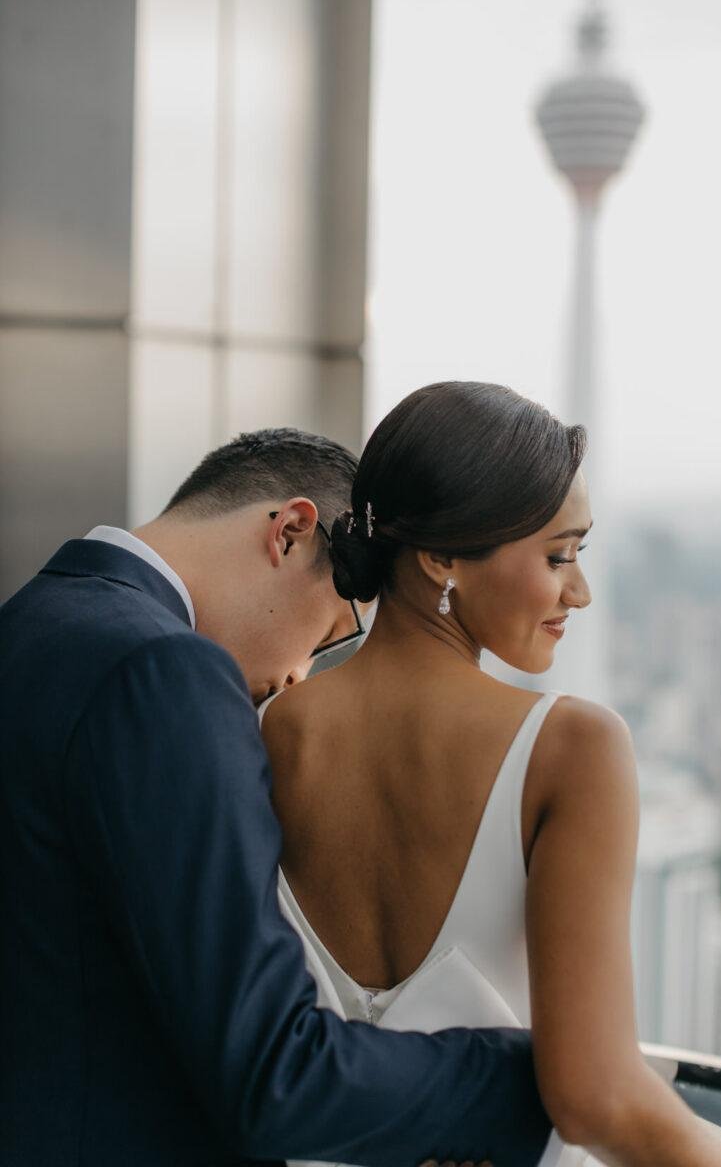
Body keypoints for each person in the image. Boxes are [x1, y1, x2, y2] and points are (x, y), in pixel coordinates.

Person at [260, 383, 721, 1167]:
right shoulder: (571, 748)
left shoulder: (266, 727)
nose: (578, 592)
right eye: (559, 556)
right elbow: (597, 1097)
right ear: (441, 556)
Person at [0, 428, 555, 1166]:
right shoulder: (166, 671)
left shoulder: (30, 621)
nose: (298, 677)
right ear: (292, 532)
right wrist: (539, 1080)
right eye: (329, 634)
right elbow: (273, 1077)